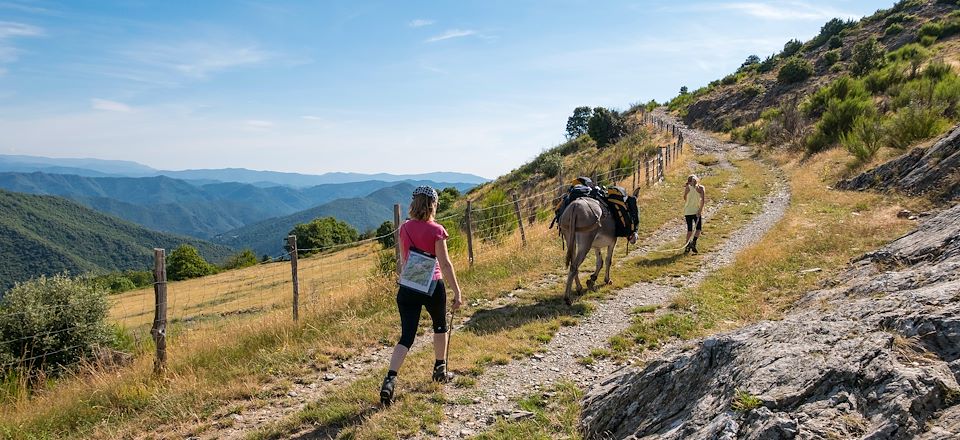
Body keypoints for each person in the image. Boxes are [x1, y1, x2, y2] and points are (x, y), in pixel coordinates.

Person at [380, 185, 464, 404]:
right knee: (439, 326)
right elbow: (444, 264)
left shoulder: (404, 228)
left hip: (408, 285)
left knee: (407, 336)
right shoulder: (437, 230)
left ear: (413, 204)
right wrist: (457, 291)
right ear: (432, 205)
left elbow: (403, 259)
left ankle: (390, 379)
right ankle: (439, 369)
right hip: (432, 285)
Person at [683, 174, 705, 254]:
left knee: (689, 229)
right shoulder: (701, 188)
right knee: (698, 229)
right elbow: (703, 200)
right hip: (696, 211)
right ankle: (694, 242)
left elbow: (684, 198)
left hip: (688, 211)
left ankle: (687, 246)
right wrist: (700, 210)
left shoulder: (687, 188)